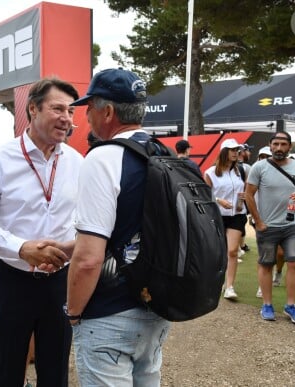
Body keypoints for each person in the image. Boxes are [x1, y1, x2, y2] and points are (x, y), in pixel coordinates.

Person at [0, 77, 82, 387]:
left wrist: (68, 249)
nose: (66, 118)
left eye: (71, 112)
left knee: (55, 373)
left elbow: (86, 224)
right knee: (7, 371)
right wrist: (22, 248)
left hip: (60, 283)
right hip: (11, 280)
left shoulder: (77, 163)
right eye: (58, 108)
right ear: (33, 109)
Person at [66, 68, 170, 386]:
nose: (87, 117)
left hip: (110, 312)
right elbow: (133, 231)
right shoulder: (163, 154)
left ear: (108, 111)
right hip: (157, 307)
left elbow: (88, 259)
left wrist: (73, 312)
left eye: (90, 107)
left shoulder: (103, 158)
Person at [245, 131, 295, 324]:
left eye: (283, 144)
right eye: (276, 144)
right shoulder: (259, 167)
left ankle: (291, 305)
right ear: (270, 145)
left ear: (289, 147)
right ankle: (267, 304)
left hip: (291, 225)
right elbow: (248, 195)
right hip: (267, 226)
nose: (279, 148)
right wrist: (258, 221)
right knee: (266, 264)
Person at [204, 138, 247, 300]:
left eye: (237, 150)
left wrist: (241, 200)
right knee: (219, 253)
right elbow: (205, 195)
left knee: (232, 251)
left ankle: (229, 287)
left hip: (237, 215)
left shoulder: (240, 171)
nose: (236, 152)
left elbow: (243, 192)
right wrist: (219, 200)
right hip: (217, 216)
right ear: (224, 152)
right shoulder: (210, 172)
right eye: (233, 150)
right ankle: (218, 283)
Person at [253, 146, 285, 298]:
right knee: (265, 254)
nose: (264, 159)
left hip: (282, 220)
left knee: (280, 253)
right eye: (261, 156)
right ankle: (262, 285)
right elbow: (248, 195)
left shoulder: (282, 173)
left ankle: (278, 273)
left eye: (267, 156)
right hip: (261, 220)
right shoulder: (255, 172)